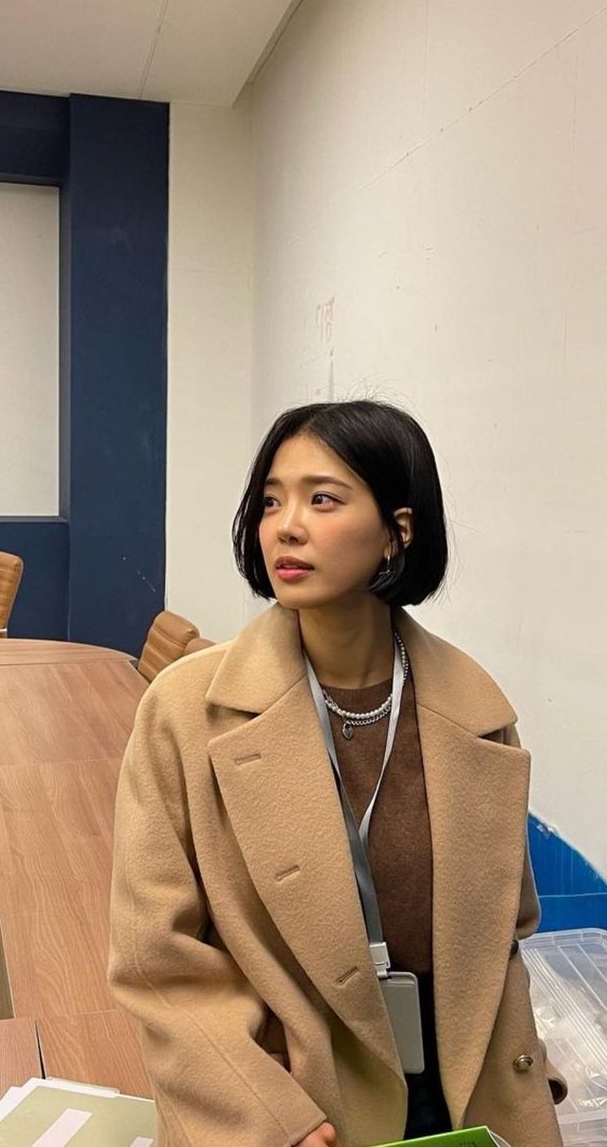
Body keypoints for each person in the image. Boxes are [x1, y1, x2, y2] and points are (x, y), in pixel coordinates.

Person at [108, 400, 567, 1147]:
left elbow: (505, 935)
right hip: (294, 1101)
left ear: (398, 532)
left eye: (322, 498)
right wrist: (264, 1112)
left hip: (462, 1097)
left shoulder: (474, 709)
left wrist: (527, 1080)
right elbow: (153, 956)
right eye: (270, 501)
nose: (286, 525)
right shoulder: (187, 711)